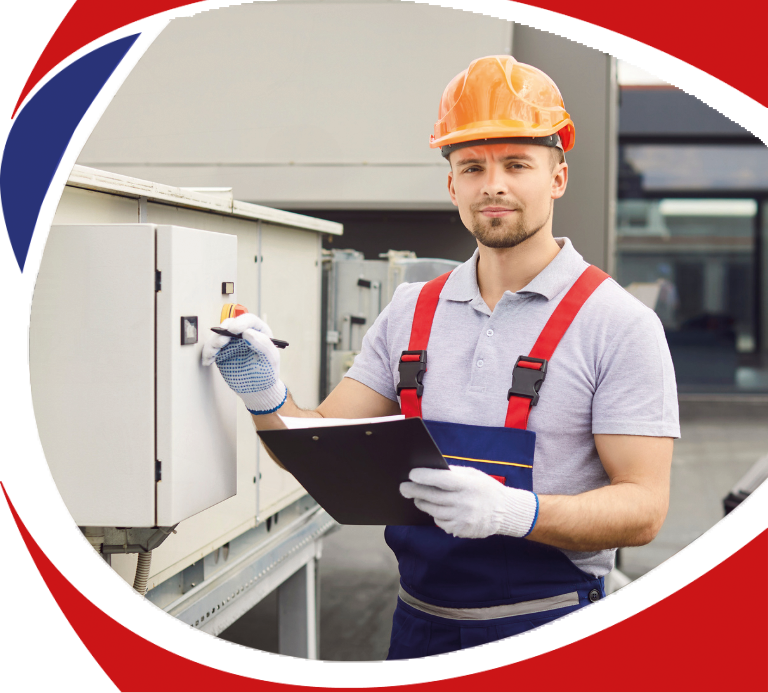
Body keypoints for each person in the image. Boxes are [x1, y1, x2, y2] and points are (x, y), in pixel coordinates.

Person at [202, 55, 679, 663]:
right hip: (418, 631)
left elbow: (643, 507)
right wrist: (265, 393)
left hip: (549, 632)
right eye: (472, 166)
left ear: (557, 177)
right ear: (452, 184)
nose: (494, 185)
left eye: (517, 164)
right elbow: (316, 449)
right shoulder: (411, 312)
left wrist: (516, 511)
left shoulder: (618, 324)